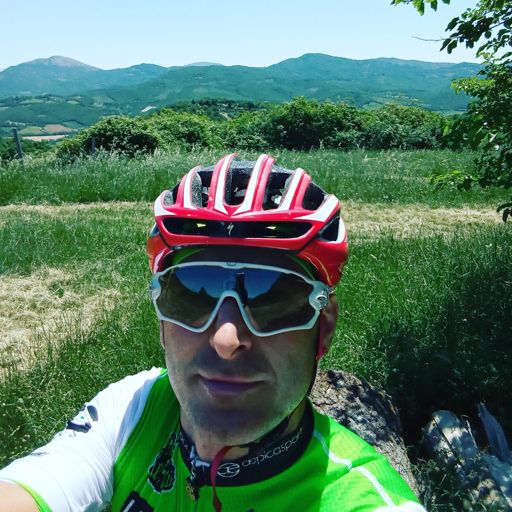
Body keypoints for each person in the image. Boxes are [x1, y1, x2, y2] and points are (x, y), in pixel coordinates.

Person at [0, 154, 426, 511]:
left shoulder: (361, 498)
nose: (226, 340)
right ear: (161, 318)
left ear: (324, 326)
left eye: (272, 297)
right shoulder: (133, 410)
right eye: (191, 294)